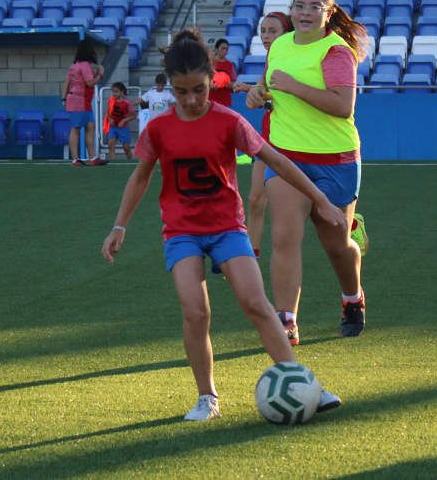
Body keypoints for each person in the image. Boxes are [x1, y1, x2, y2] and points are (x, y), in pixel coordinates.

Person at [100, 29, 344, 422]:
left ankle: (301, 381)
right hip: (182, 232)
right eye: (182, 92)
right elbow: (141, 177)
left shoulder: (228, 121)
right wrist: (119, 226)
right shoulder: (159, 129)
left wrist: (319, 198)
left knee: (256, 304)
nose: (192, 100)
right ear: (171, 89)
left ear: (212, 80)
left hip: (228, 228)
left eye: (199, 89)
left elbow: (278, 161)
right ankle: (207, 396)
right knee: (195, 312)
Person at [245, 0, 368, 346]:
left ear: (328, 13)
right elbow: (268, 88)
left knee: (337, 244)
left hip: (335, 161)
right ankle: (286, 321)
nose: (305, 12)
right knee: (284, 237)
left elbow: (343, 106)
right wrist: (257, 94)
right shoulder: (280, 45)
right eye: (299, 5)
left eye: (315, 6)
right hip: (286, 158)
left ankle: (352, 298)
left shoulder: (336, 51)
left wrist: (292, 85)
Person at [231, 12, 293, 260]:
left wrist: (257, 93)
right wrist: (254, 92)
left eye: (272, 31)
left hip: (297, 137)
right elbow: (264, 92)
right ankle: (250, 257)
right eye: (263, 31)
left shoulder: (295, 58)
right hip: (270, 135)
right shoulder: (271, 58)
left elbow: (285, 97)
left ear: (286, 33)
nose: (266, 36)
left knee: (318, 203)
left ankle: (352, 222)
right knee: (256, 198)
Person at [63, 39, 107, 166]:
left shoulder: (73, 65)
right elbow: (90, 83)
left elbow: (66, 83)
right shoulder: (84, 66)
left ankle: (92, 158)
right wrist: (100, 74)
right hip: (79, 101)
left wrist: (64, 98)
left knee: (90, 127)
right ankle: (76, 159)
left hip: (82, 101)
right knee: (76, 129)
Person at [104, 82, 137, 161]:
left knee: (126, 147)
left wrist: (124, 120)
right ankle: (113, 163)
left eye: (116, 91)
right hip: (113, 127)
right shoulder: (111, 101)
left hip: (123, 128)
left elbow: (134, 115)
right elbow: (108, 112)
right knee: (110, 144)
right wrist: (110, 119)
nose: (114, 93)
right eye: (113, 91)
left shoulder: (127, 103)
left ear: (122, 92)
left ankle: (130, 160)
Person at [211, 38, 237, 108]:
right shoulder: (209, 63)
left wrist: (224, 82)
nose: (225, 51)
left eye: (226, 49)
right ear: (216, 49)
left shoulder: (230, 65)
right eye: (223, 48)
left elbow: (234, 84)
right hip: (210, 100)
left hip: (224, 101)